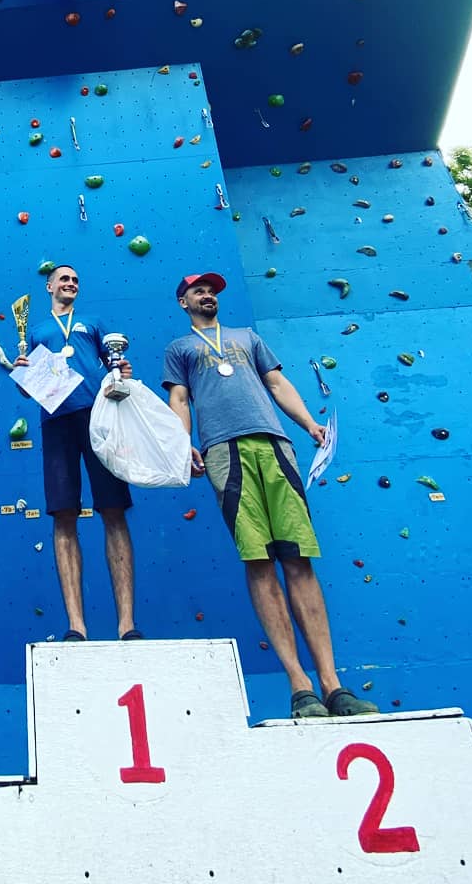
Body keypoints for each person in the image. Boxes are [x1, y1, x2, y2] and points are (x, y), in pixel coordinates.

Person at [162, 272, 379, 719]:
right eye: (199, 291)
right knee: (258, 559)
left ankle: (333, 685)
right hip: (224, 452)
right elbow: (180, 400)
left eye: (212, 290)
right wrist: (181, 443)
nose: (208, 295)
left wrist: (308, 424)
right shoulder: (179, 349)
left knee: (298, 557)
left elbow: (278, 384)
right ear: (184, 302)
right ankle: (300, 686)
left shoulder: (247, 337)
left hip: (275, 445)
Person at [14, 264, 140, 642]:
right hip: (57, 423)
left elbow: (115, 365)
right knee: (63, 515)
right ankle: (76, 625)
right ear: (50, 286)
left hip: (101, 418)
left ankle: (127, 624)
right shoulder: (35, 331)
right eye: (64, 279)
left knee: (114, 512)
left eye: (75, 279)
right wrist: (23, 374)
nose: (70, 283)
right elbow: (27, 390)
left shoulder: (93, 323)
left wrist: (123, 370)